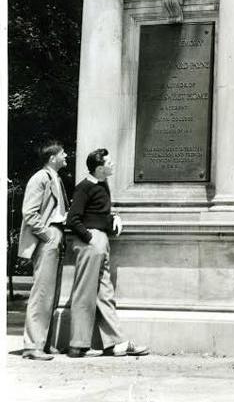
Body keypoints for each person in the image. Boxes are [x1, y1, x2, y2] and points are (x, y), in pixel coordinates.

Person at [66, 148, 148, 358]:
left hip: (101, 241)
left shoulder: (102, 185)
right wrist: (90, 238)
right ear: (100, 168)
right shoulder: (84, 188)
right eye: (109, 163)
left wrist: (113, 219)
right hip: (91, 243)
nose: (113, 165)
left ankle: (116, 343)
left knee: (105, 294)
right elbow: (73, 219)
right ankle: (77, 345)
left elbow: (98, 213)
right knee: (85, 294)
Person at [18, 141, 70, 361]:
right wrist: (48, 235)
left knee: (51, 293)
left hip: (56, 235)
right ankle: (32, 345)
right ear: (52, 158)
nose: (66, 155)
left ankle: (43, 343)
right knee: (42, 293)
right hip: (47, 237)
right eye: (62, 153)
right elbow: (29, 213)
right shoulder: (40, 178)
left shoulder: (55, 178)